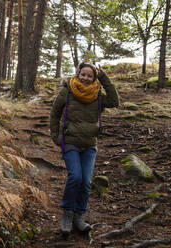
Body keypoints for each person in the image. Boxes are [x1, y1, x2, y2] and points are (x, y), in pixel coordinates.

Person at [50, 62, 119, 236]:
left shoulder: (97, 94)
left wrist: (104, 77)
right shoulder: (68, 90)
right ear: (78, 73)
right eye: (83, 74)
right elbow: (55, 112)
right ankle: (67, 214)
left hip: (89, 144)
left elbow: (114, 101)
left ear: (94, 78)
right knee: (75, 177)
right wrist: (56, 137)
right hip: (71, 141)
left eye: (90, 75)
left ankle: (78, 217)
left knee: (87, 182)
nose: (85, 78)